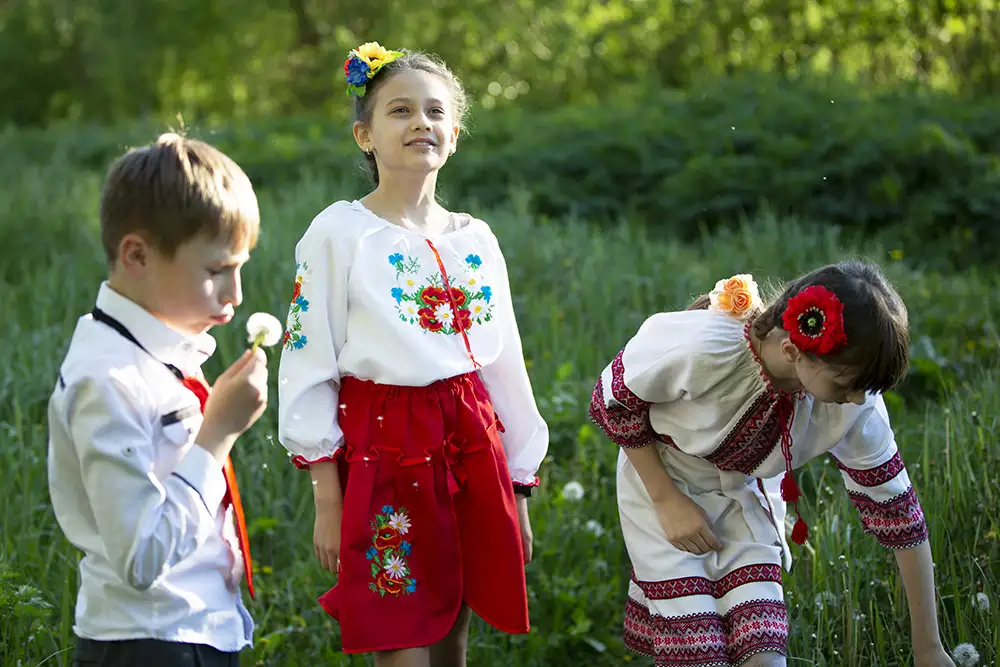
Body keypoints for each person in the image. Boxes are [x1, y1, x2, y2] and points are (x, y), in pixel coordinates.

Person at [276, 42, 548, 667]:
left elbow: (503, 360)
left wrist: (519, 481)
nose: (421, 123)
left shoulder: (475, 237)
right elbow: (308, 356)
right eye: (400, 110)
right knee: (397, 628)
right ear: (365, 135)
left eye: (435, 112)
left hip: (469, 438)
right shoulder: (338, 233)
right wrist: (327, 497)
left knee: (453, 623)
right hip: (384, 442)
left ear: (454, 134)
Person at [589, 263, 956, 667]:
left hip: (745, 499)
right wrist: (666, 500)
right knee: (698, 654)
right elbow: (615, 401)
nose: (855, 399)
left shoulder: (853, 405)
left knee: (764, 656)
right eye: (845, 384)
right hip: (662, 485)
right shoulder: (706, 349)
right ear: (792, 351)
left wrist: (928, 648)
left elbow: (897, 512)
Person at [47, 133, 269, 667]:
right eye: (216, 271)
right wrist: (216, 436)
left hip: (195, 630)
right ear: (137, 255)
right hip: (147, 642)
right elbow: (140, 557)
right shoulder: (108, 379)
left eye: (240, 268)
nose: (236, 294)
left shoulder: (161, 352)